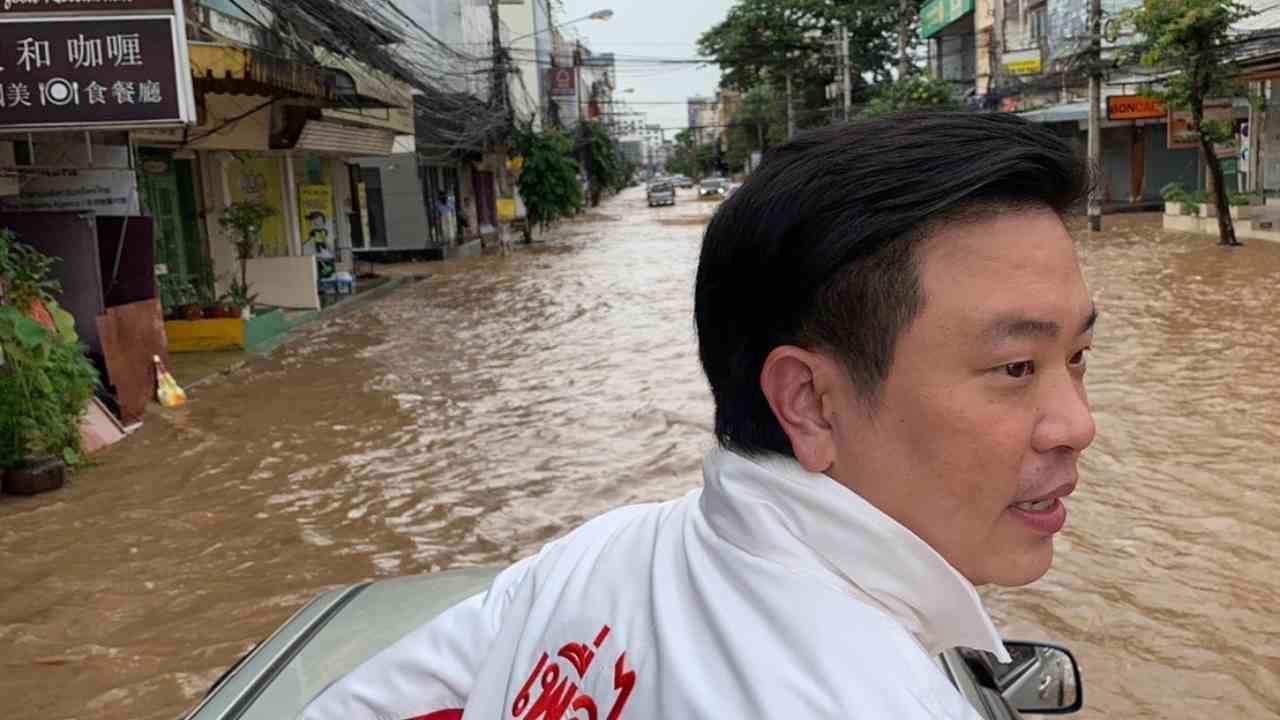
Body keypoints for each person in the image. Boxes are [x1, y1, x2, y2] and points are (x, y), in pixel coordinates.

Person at [302, 112, 1097, 720]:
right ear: (810, 403)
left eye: (1078, 357)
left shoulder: (596, 556)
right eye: (1015, 369)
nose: (1076, 424)